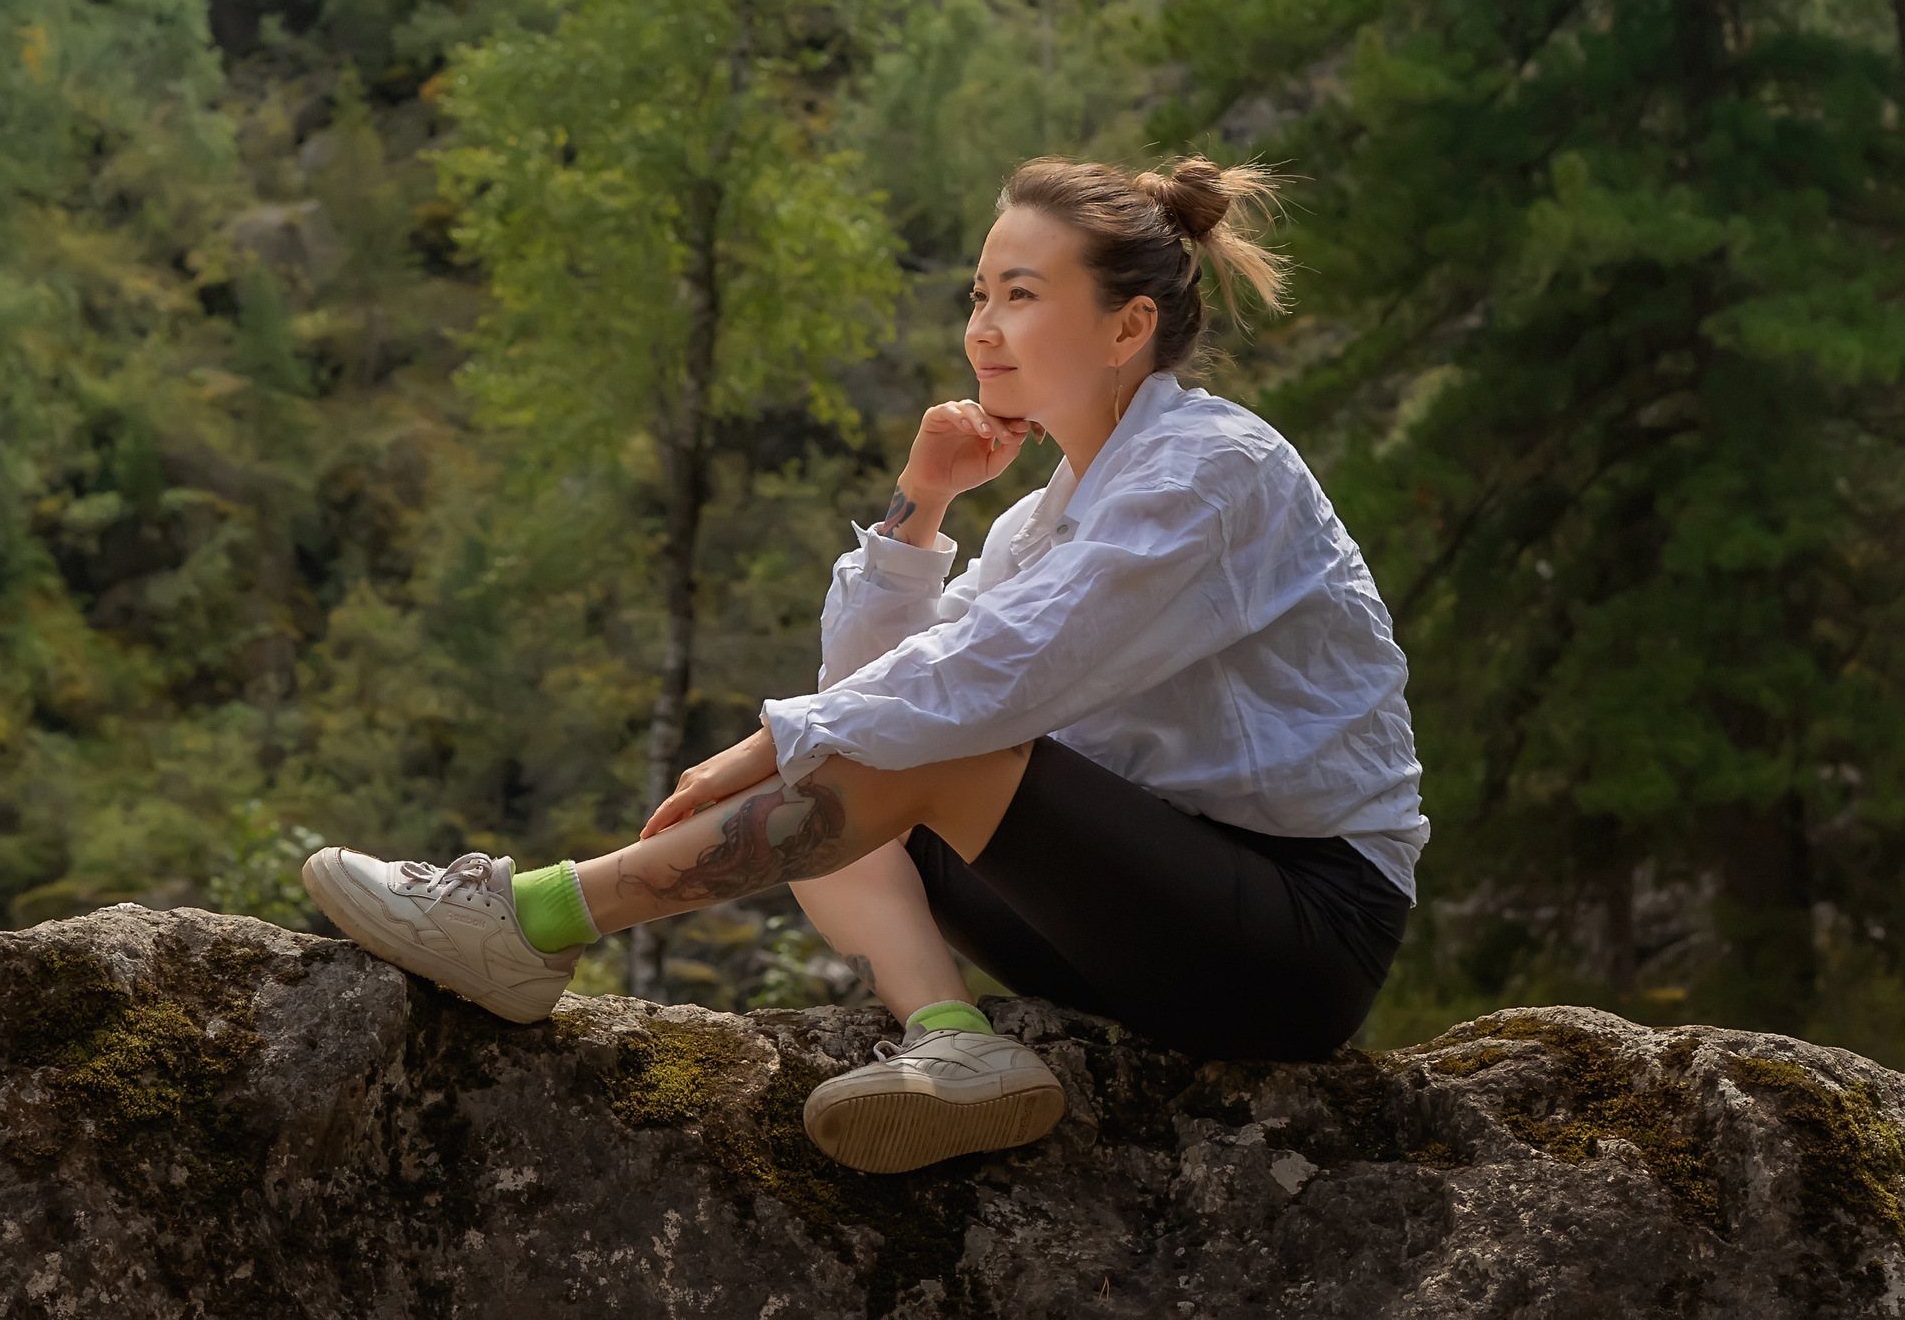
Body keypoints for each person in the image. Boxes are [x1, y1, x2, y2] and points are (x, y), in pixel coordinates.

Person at [301, 154, 1428, 1175]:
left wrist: (762, 748)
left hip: (1295, 936)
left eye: (1021, 296)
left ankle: (533, 923)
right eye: (980, 295)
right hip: (1134, 929)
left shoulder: (1211, 473)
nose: (983, 328)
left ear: (1127, 327)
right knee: (883, 746)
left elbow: (978, 688)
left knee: (921, 748)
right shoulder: (1050, 515)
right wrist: (921, 505)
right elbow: (889, 684)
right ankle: (950, 1041)